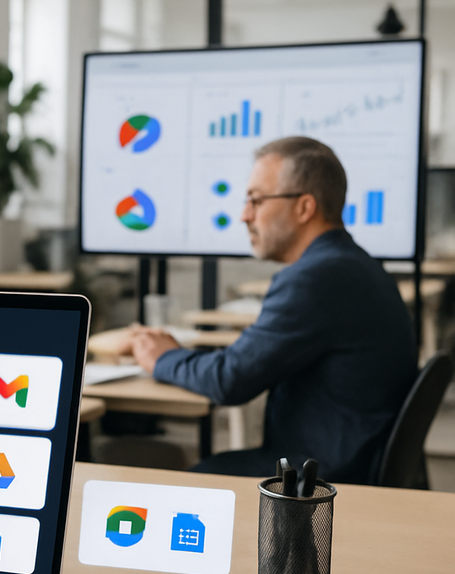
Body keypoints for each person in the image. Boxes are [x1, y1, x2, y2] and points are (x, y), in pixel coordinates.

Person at [126, 136, 416, 483]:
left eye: (256, 200)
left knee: (196, 479)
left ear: (304, 207)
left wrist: (162, 357)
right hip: (349, 459)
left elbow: (230, 380)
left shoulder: (316, 277)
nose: (244, 215)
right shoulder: (354, 265)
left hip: (320, 478)